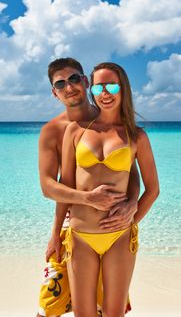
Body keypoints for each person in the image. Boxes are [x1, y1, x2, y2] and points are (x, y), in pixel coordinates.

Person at [37, 58, 140, 317]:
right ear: (54, 92)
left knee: (107, 305)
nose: (68, 87)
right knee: (50, 302)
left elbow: (132, 172)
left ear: (85, 82)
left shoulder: (109, 117)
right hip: (70, 225)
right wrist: (84, 201)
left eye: (73, 79)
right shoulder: (53, 131)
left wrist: (132, 203)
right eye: (60, 84)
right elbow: (50, 187)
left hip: (112, 224)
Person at [59, 62, 160, 317]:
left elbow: (153, 189)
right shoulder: (75, 131)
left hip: (119, 239)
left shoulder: (137, 137)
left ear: (123, 89)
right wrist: (54, 235)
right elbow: (65, 186)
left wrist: (132, 217)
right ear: (91, 90)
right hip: (80, 237)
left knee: (114, 314)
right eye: (99, 86)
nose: (105, 93)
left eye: (112, 85)